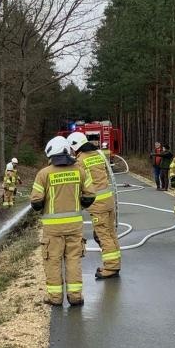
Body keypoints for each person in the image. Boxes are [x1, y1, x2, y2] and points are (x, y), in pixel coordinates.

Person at [29, 136, 96, 306]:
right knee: (73, 260)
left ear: (51, 154)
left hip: (52, 230)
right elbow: (90, 195)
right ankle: (75, 297)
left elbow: (36, 203)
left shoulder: (44, 174)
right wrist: (78, 205)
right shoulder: (79, 170)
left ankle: (55, 298)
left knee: (53, 261)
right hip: (74, 227)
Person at [67, 130, 121, 279]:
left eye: (71, 148)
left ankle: (110, 267)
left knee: (103, 235)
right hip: (108, 200)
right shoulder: (98, 155)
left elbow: (78, 181)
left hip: (97, 203)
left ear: (75, 146)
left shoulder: (80, 160)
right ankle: (115, 263)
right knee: (110, 233)